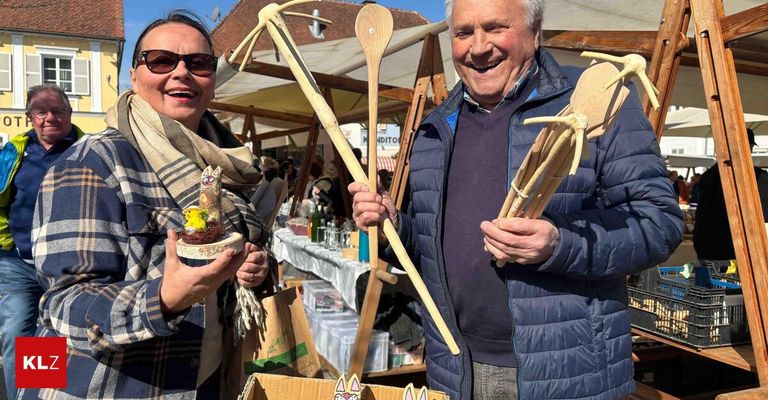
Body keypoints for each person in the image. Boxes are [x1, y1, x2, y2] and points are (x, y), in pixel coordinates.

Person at [348, 0, 683, 399]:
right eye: (463, 33)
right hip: (455, 369)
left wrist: (559, 244)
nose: (478, 47)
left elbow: (659, 223)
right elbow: (429, 250)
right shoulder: (433, 130)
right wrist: (392, 225)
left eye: (494, 27)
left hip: (564, 374)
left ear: (535, 31)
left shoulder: (597, 102)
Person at [20, 11, 270, 399]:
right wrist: (164, 298)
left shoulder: (225, 166)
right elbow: (63, 302)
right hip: (106, 386)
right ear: (134, 77)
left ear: (213, 83)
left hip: (202, 378)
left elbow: (224, 266)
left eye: (199, 63)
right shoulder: (93, 162)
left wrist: (247, 269)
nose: (182, 72)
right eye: (161, 60)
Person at [0, 84, 84, 400]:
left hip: (69, 263)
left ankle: (48, 393)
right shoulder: (12, 153)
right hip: (18, 262)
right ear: (30, 117)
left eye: (57, 111)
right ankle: (25, 396)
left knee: (57, 333)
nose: (50, 118)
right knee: (18, 334)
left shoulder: (86, 150)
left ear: (69, 114)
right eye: (41, 111)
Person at [694, 128, 768, 261]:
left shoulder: (708, 176)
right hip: (742, 253)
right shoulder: (758, 177)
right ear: (748, 147)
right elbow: (764, 217)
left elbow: (702, 217)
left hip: (710, 250)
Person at [251, 156, 285, 224]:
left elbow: (252, 204)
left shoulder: (264, 183)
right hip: (270, 219)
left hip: (259, 221)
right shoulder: (280, 182)